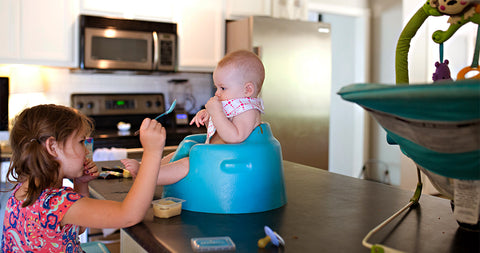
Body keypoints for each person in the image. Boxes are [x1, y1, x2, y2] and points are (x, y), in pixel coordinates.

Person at [1, 104, 166, 252]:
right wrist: (152, 151)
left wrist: (80, 184)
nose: (86, 151)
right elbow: (129, 215)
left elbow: (76, 229)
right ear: (52, 147)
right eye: (81, 142)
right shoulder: (57, 202)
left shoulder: (22, 192)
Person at [122, 49, 265, 185]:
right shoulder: (234, 105)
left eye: (222, 88)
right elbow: (219, 132)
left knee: (187, 163)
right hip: (215, 156)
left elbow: (234, 137)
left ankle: (149, 177)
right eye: (216, 88)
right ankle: (148, 168)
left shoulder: (248, 110)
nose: (217, 93)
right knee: (179, 153)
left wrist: (217, 113)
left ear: (248, 89)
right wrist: (208, 117)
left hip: (231, 163)